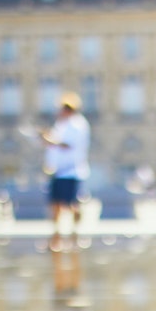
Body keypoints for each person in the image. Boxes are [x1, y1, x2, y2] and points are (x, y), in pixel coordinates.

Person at [40, 93, 91, 234]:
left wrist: (51, 141)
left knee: (71, 204)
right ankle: (56, 233)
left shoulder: (78, 124)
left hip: (71, 171)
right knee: (55, 204)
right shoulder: (61, 124)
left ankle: (76, 231)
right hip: (57, 171)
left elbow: (67, 145)